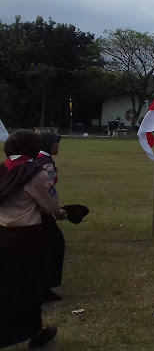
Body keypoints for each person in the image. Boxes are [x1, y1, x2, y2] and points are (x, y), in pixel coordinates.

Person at [0, 130, 64, 348]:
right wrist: (60, 213)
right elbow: (52, 205)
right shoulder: (35, 173)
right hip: (26, 238)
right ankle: (35, 333)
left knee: (5, 287)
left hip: (2, 235)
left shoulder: (2, 170)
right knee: (28, 288)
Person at [33, 132, 65, 302]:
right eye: (55, 143)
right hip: (42, 213)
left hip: (33, 209)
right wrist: (55, 210)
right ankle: (46, 287)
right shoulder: (47, 165)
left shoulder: (35, 158)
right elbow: (47, 190)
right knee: (54, 246)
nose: (58, 145)